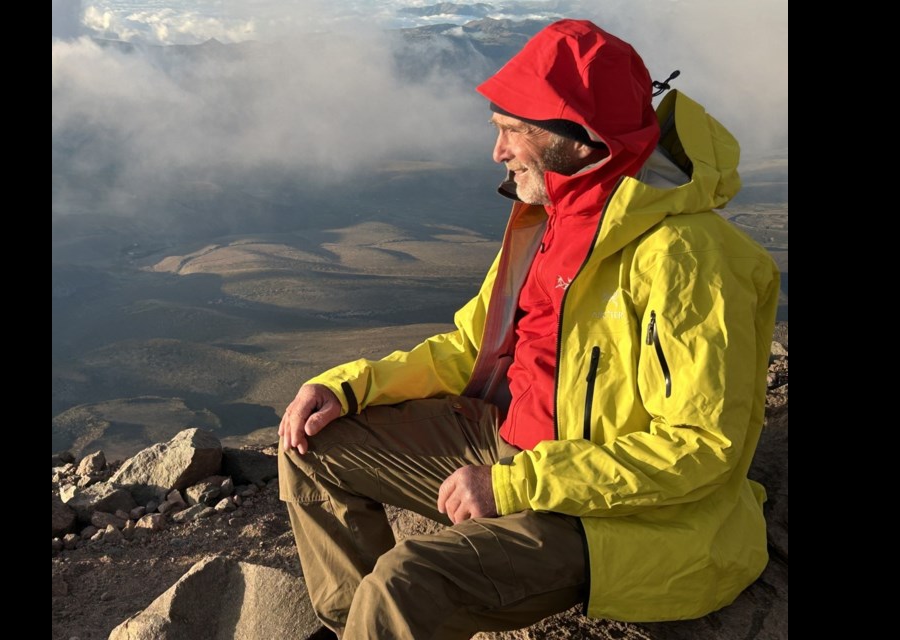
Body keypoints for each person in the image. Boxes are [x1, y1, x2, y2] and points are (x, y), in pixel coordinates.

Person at [278, 18, 780, 639]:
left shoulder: (686, 257)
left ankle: (380, 621)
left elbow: (701, 445)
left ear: (582, 138)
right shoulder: (550, 218)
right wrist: (350, 386)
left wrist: (516, 485)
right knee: (311, 442)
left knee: (406, 582)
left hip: (611, 514)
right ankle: (356, 625)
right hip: (510, 450)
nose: (498, 151)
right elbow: (473, 348)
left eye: (514, 131)